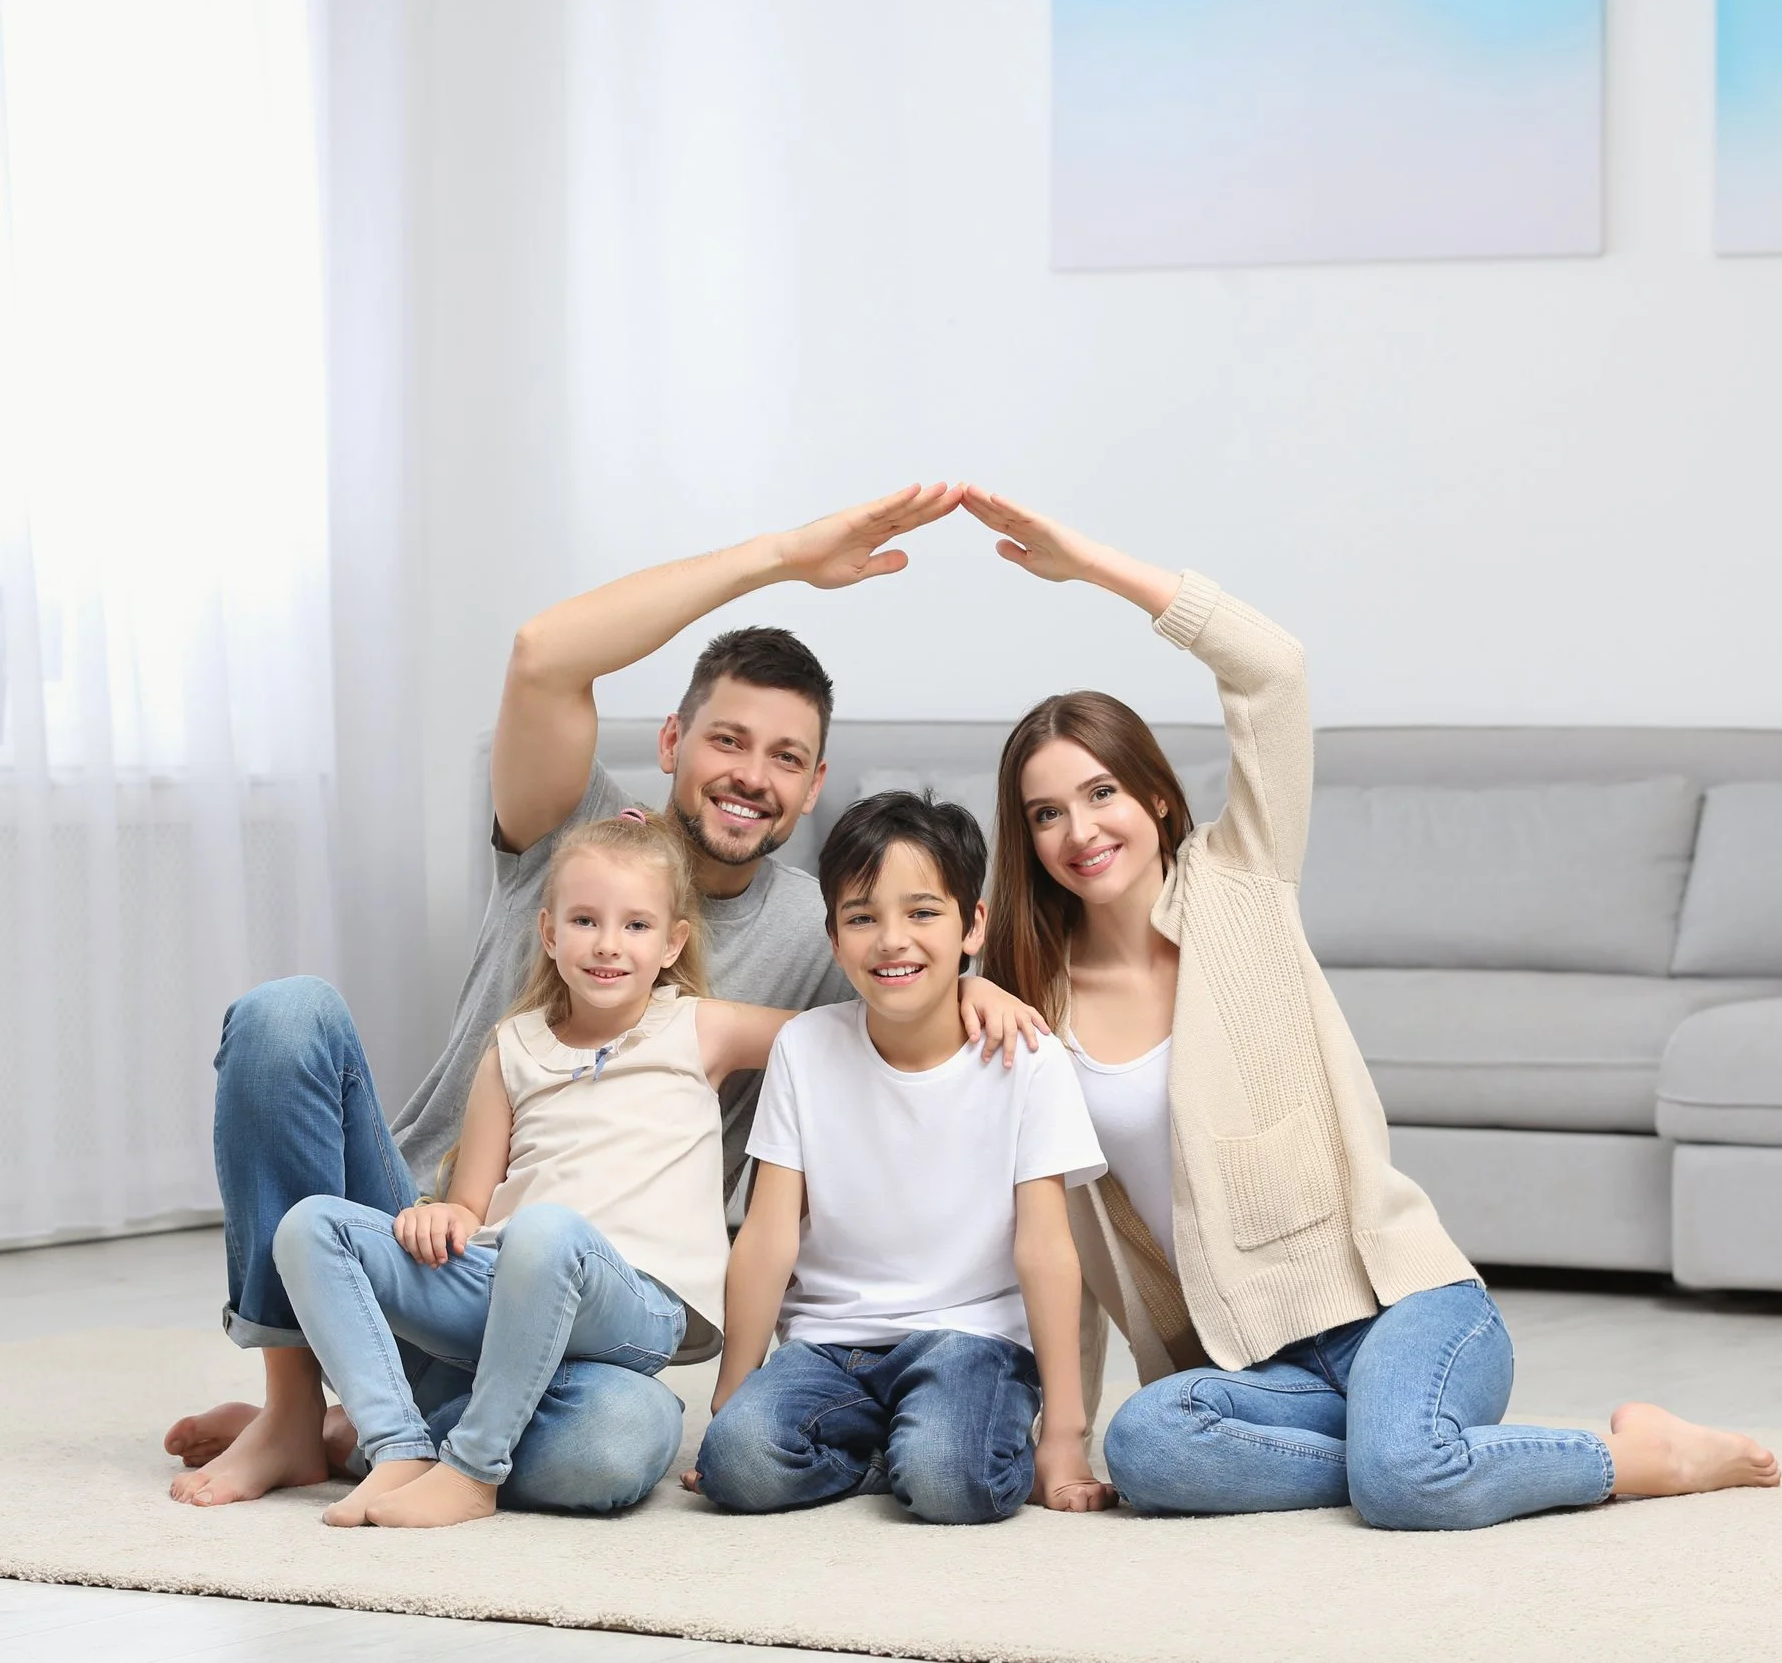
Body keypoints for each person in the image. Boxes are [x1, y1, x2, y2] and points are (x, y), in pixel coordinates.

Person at [167, 484, 1045, 1511]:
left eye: (785, 758)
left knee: (611, 1450)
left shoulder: (823, 928)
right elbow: (545, 650)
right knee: (285, 1017)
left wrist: (980, 996)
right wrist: (781, 554)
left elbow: (907, 987)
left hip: (586, 1289)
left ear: (813, 790)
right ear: (671, 741)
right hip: (428, 1237)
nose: (750, 775)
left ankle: (368, 1428)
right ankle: (291, 1407)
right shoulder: (575, 836)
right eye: (727, 739)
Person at [964, 485, 1782, 1528]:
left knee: (1401, 1483)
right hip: (1250, 1372)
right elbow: (1065, 1245)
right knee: (1151, 1441)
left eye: (1100, 792)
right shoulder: (1039, 1012)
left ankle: (1629, 1456)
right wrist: (1064, 1435)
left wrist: (1091, 566)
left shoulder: (1241, 881)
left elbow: (1273, 671)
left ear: (1156, 797)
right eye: (1045, 811)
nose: (1079, 827)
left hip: (1404, 1311)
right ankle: (1411, 1450)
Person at [275, 812, 799, 1527]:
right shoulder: (512, 1045)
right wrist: (442, 1216)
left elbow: (839, 1036)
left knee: (549, 1232)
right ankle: (394, 1443)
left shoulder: (698, 1027)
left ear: (673, 940)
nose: (608, 944)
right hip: (511, 1281)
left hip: (636, 1301)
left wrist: (965, 995)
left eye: (637, 926)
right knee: (310, 1226)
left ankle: (471, 1468)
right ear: (550, 933)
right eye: (585, 920)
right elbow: (470, 1204)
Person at [688, 792, 1117, 1524]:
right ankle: (896, 1449)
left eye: (922, 912)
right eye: (862, 917)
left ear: (972, 924)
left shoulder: (1028, 1059)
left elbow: (1047, 1249)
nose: (892, 939)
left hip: (971, 1342)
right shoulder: (805, 1048)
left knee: (952, 1480)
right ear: (833, 936)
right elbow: (766, 1237)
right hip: (830, 1347)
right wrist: (731, 1398)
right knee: (739, 1462)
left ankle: (930, 1445)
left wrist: (1064, 1438)